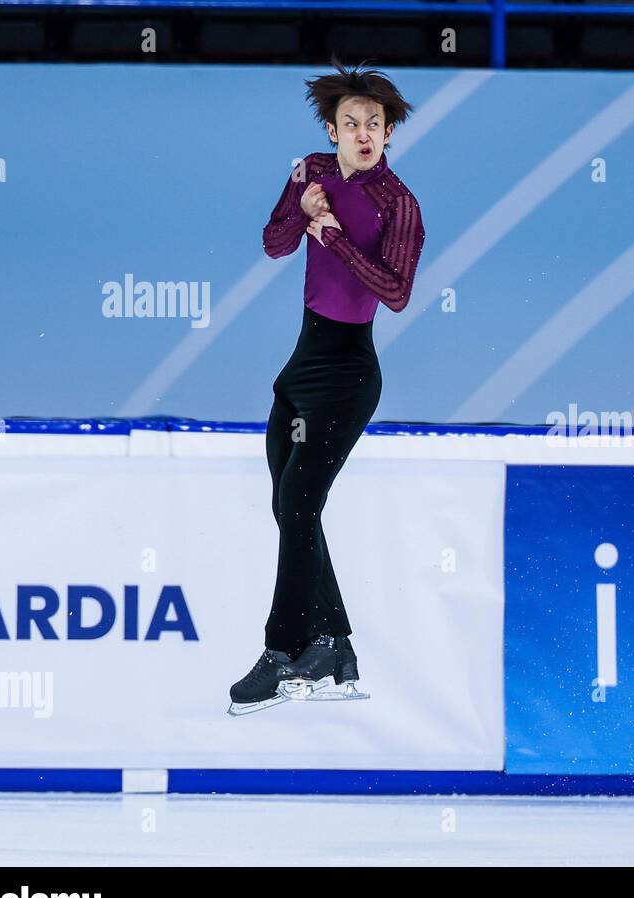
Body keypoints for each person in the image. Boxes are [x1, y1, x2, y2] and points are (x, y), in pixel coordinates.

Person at [229, 59, 426, 716]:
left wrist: (336, 238)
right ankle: (335, 646)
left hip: (348, 372)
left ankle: (284, 653)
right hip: (301, 369)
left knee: (300, 504)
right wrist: (302, 208)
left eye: (375, 123)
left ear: (390, 131)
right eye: (351, 123)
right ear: (332, 130)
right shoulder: (310, 172)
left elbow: (396, 293)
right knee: (291, 505)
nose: (363, 133)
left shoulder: (398, 203)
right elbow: (275, 243)